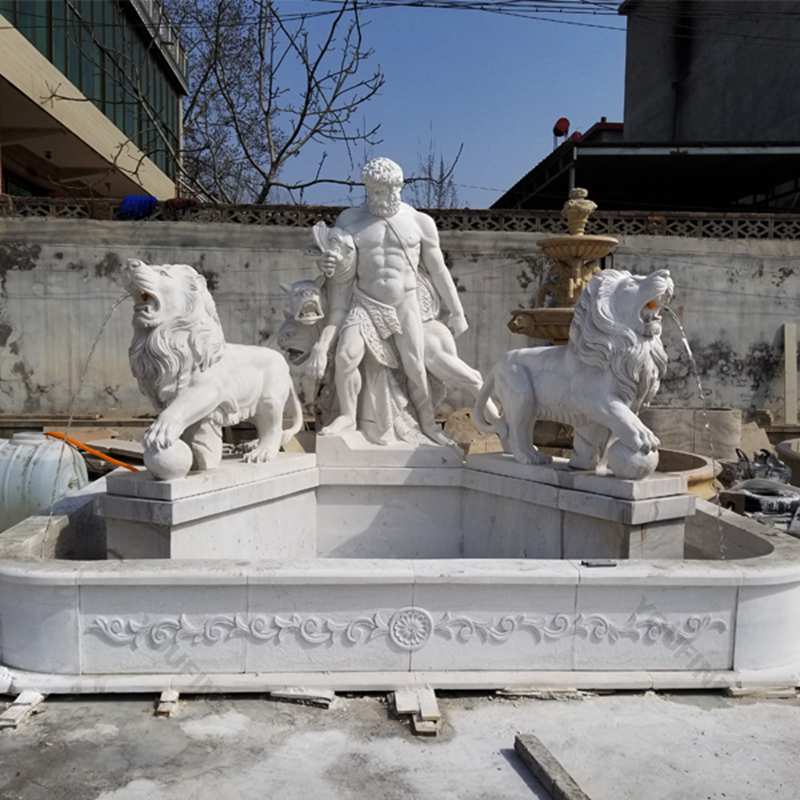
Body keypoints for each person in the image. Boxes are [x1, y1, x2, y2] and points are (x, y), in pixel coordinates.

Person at [308, 157, 468, 445]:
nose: (381, 198)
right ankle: (346, 415)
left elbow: (438, 269)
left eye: (387, 191)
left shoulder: (419, 222)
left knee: (415, 365)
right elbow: (341, 266)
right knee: (346, 356)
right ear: (367, 189)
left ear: (399, 187)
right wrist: (330, 265)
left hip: (405, 302)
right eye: (375, 192)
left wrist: (456, 311)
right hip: (364, 302)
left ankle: (429, 424)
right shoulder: (350, 220)